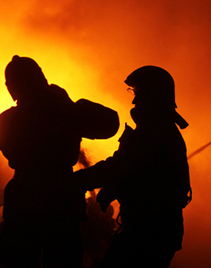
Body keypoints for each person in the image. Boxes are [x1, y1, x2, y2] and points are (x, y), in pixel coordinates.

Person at [0, 55, 119, 268]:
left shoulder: (11, 119)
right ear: (41, 77)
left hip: (27, 203)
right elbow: (109, 124)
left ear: (12, 86)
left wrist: (68, 109)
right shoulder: (59, 110)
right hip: (61, 201)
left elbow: (109, 124)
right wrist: (68, 109)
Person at [74, 65, 192, 268]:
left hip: (148, 233)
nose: (134, 100)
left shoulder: (154, 134)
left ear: (152, 96)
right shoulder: (161, 130)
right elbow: (138, 174)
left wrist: (74, 182)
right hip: (155, 231)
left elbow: (119, 167)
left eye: (138, 93)